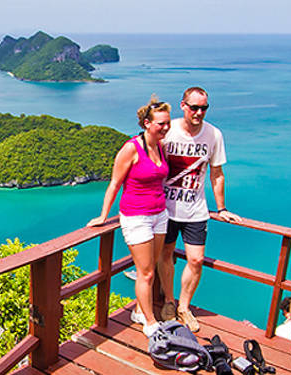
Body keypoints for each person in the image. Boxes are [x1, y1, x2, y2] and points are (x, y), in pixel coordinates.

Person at [156, 87, 241, 333]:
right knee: (166, 255)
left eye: (204, 108)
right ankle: (169, 303)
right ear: (182, 105)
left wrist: (221, 208)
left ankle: (184, 306)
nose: (199, 112)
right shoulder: (167, 130)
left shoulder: (214, 134)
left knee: (196, 259)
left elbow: (216, 173)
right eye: (194, 107)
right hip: (166, 208)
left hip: (196, 210)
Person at [87, 96, 171, 336]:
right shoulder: (131, 148)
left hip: (159, 215)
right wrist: (103, 216)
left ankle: (138, 311)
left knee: (151, 267)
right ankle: (150, 322)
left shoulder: (161, 147)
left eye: (167, 123)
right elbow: (115, 183)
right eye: (160, 124)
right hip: (136, 217)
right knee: (145, 272)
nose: (165, 128)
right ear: (146, 123)